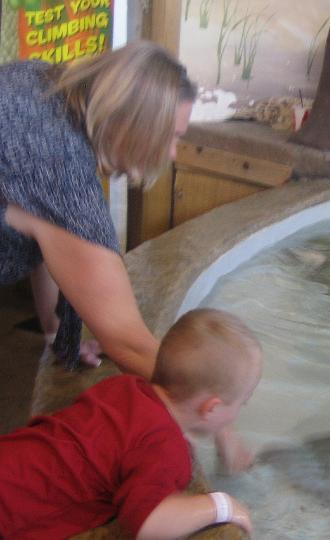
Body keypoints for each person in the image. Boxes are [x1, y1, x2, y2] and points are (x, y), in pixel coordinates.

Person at [0, 39, 196, 376]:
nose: (173, 152)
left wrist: (54, 331)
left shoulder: (34, 76)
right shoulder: (61, 167)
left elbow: (50, 235)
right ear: (133, 121)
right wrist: (214, 407)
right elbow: (127, 343)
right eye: (170, 136)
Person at [0, 308, 262, 539]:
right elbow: (147, 522)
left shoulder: (124, 386)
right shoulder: (165, 449)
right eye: (243, 403)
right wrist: (221, 506)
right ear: (211, 407)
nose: (240, 411)